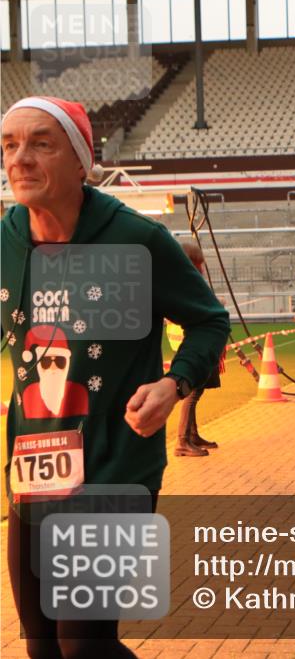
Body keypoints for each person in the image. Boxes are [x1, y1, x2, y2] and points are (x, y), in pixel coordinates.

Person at [1, 96, 230, 658]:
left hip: (115, 467)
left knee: (83, 646)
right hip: (34, 469)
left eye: (41, 143)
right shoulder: (4, 240)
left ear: (82, 161)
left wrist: (173, 384)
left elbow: (208, 322)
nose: (20, 159)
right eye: (9, 145)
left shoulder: (136, 239)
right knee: (42, 648)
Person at [171, 239, 226, 457]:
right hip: (191, 346)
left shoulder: (186, 281)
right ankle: (182, 440)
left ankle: (191, 434)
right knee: (191, 392)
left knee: (198, 389)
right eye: (197, 263)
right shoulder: (182, 282)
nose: (202, 268)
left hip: (195, 345)